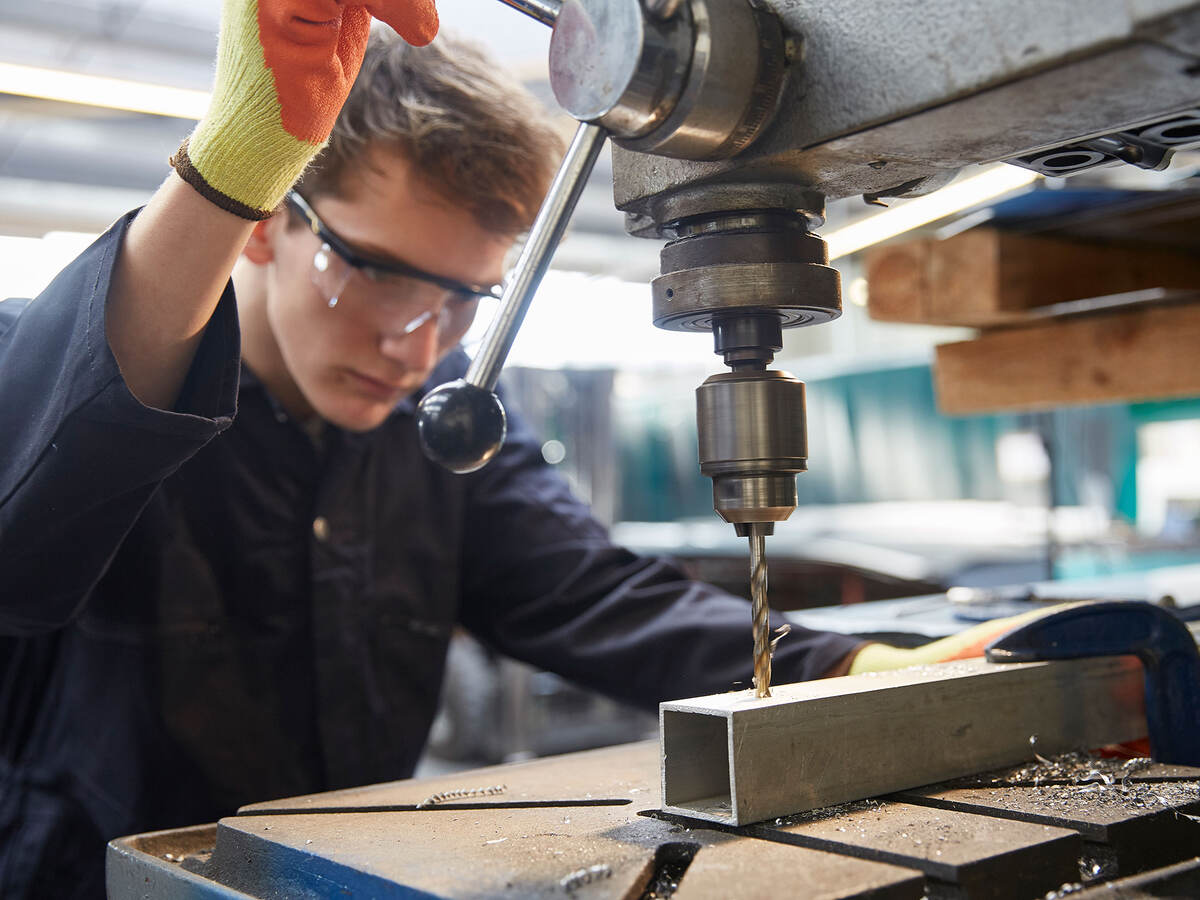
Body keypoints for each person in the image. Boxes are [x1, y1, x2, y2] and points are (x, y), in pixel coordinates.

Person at [0, 4, 1036, 896]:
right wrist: (232, 165)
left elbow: (596, 596)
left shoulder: (439, 435)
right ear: (271, 221)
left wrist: (850, 668)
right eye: (377, 273)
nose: (419, 344)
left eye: (463, 300)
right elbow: (36, 489)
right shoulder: (81, 385)